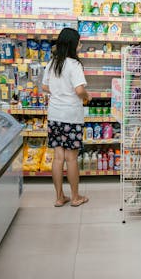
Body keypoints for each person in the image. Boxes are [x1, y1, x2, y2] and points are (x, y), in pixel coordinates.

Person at [42, 27, 91, 207]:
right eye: (79, 41)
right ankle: (76, 197)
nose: (80, 44)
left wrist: (59, 90)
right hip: (71, 115)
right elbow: (79, 90)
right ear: (72, 44)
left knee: (58, 158)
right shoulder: (74, 65)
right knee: (71, 158)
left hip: (55, 114)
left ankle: (59, 197)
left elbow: (45, 87)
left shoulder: (52, 63)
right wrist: (87, 96)